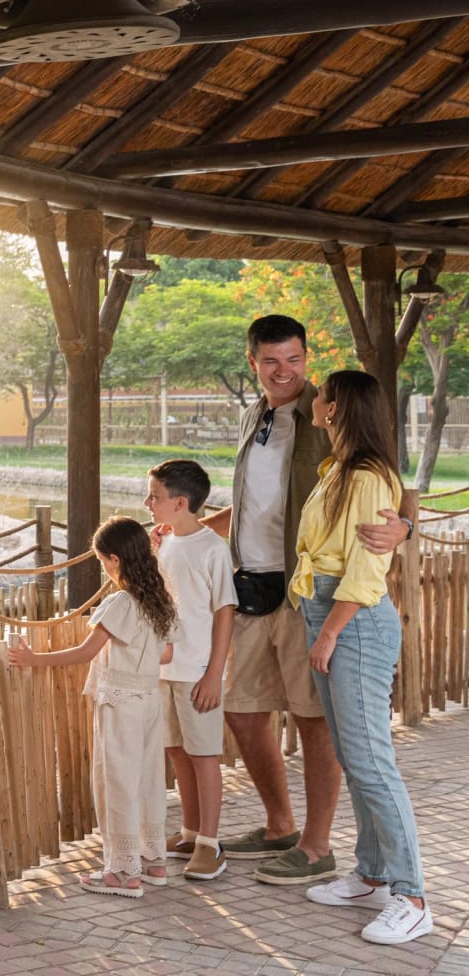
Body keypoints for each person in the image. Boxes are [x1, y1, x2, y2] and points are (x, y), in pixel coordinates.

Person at [199, 316, 413, 886]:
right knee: (242, 712)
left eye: (293, 360)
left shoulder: (328, 411)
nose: (284, 371)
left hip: (307, 593)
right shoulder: (254, 416)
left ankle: (318, 847)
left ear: (306, 356)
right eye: (271, 361)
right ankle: (279, 826)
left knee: (314, 719)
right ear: (253, 363)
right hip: (252, 585)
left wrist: (405, 529)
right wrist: (192, 529)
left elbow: (386, 484)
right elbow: (253, 502)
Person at [294, 370, 430, 944]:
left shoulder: (370, 477)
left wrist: (328, 633)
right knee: (355, 756)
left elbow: (366, 569)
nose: (315, 400)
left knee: (372, 760)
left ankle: (412, 896)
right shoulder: (339, 471)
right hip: (326, 612)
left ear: (337, 407)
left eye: (322, 395)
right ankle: (372, 876)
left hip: (351, 620)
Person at [11, 516, 176, 898]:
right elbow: (165, 653)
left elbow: (87, 652)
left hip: (120, 703)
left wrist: (34, 659)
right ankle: (153, 860)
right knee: (148, 780)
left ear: (115, 560)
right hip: (150, 699)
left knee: (116, 782)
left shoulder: (121, 602)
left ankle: (122, 871)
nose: (103, 567)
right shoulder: (159, 599)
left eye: (102, 561)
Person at [144, 459, 236, 881]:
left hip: (198, 670)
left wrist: (214, 673)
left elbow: (224, 612)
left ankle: (210, 845)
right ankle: (190, 831)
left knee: (204, 756)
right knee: (178, 751)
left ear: (180, 503)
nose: (148, 503)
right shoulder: (165, 543)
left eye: (155, 497)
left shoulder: (212, 548)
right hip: (166, 668)